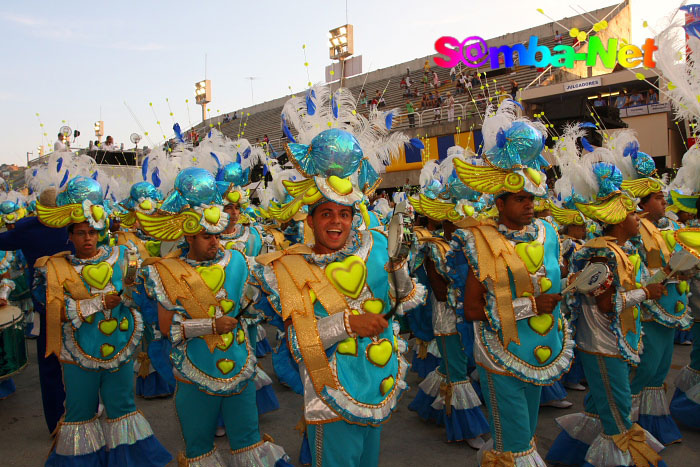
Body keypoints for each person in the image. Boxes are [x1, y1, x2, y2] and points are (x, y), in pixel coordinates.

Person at [252, 85, 426, 467]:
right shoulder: (289, 266)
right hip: (328, 387)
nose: (336, 222)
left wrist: (398, 269)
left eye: (344, 214)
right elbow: (301, 343)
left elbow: (405, 301)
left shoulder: (377, 247)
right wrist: (349, 323)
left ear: (353, 216)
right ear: (310, 219)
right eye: (326, 213)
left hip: (377, 376)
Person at [447, 100, 573, 465]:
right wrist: (530, 307)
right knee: (515, 444)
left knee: (525, 435)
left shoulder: (549, 232)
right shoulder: (480, 240)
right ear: (499, 203)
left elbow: (553, 281)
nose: (529, 204)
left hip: (539, 350)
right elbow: (472, 309)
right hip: (498, 355)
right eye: (519, 199)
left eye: (531, 197)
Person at [138, 167, 291, 466]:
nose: (215, 242)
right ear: (188, 235)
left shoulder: (239, 261)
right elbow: (167, 328)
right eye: (205, 236)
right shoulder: (166, 272)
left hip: (240, 368)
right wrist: (210, 325)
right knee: (199, 448)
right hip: (192, 373)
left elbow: (261, 305)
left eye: (216, 235)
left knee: (248, 442)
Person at [35, 176, 171, 466]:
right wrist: (98, 303)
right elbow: (56, 313)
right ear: (69, 235)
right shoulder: (55, 268)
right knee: (80, 411)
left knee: (122, 408)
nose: (88, 238)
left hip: (119, 347)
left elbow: (139, 294)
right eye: (81, 233)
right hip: (77, 352)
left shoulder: (124, 257)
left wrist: (131, 296)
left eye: (93, 232)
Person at [546, 141, 666, 466]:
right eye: (631, 213)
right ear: (616, 219)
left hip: (615, 340)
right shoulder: (600, 253)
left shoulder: (621, 249)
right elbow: (607, 305)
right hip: (601, 344)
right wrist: (645, 293)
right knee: (618, 417)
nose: (638, 218)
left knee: (602, 407)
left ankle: (569, 455)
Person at [407, 156, 490, 448]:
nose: (469, 222)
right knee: (457, 371)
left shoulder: (474, 246)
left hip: (469, 318)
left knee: (454, 366)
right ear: (447, 219)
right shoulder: (433, 248)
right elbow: (441, 292)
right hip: (447, 319)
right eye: (461, 217)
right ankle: (466, 429)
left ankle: (428, 406)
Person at [0, 187, 73, 433]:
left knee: (50, 364)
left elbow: (3, 241)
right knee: (81, 361)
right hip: (77, 304)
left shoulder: (28, 228)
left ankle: (55, 421)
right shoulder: (74, 226)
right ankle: (83, 413)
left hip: (46, 306)